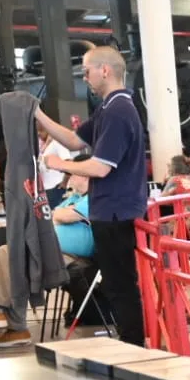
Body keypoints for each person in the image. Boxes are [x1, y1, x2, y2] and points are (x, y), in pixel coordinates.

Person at [35, 45, 148, 345]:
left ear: (105, 70)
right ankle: (131, 342)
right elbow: (74, 140)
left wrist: (60, 165)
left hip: (115, 212)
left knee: (121, 286)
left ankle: (133, 345)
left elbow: (100, 167)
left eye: (86, 71)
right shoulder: (108, 108)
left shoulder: (119, 111)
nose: (84, 78)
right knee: (117, 284)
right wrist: (39, 115)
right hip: (109, 211)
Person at [0, 174, 95, 342]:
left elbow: (59, 216)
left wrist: (58, 215)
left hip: (70, 256)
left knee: (9, 257)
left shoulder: (93, 198)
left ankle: (6, 320)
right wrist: (57, 214)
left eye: (73, 174)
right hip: (49, 250)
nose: (69, 178)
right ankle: (5, 320)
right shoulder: (74, 198)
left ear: (85, 177)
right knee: (8, 258)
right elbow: (49, 215)